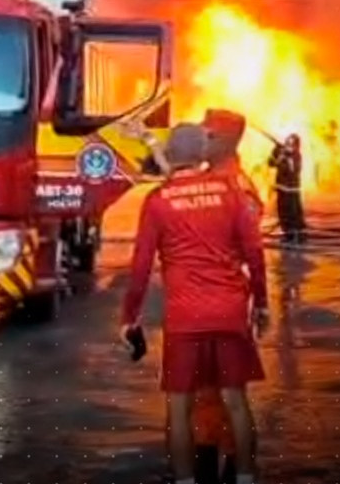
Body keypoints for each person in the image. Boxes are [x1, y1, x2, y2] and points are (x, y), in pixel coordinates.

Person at [122, 124, 270, 484]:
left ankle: (186, 480)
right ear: (203, 153)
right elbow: (254, 251)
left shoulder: (158, 201)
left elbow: (140, 266)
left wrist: (130, 318)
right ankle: (245, 478)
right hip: (230, 311)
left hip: (185, 317)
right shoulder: (230, 191)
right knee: (236, 402)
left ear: (171, 155)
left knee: (179, 408)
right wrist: (261, 304)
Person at [195, 109, 263, 483]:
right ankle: (206, 463)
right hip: (201, 303)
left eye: (207, 134)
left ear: (224, 140)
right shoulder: (207, 179)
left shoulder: (238, 187)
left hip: (227, 303)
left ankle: (238, 471)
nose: (201, 140)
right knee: (205, 391)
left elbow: (249, 250)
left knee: (229, 392)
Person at [266, 134, 306, 246]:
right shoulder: (281, 152)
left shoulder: (296, 156)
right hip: (281, 188)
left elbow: (292, 170)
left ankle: (298, 235)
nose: (288, 145)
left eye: (291, 143)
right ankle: (287, 235)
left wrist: (285, 156)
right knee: (282, 213)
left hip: (292, 190)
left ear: (296, 145)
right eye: (287, 142)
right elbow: (271, 163)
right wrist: (277, 152)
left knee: (294, 213)